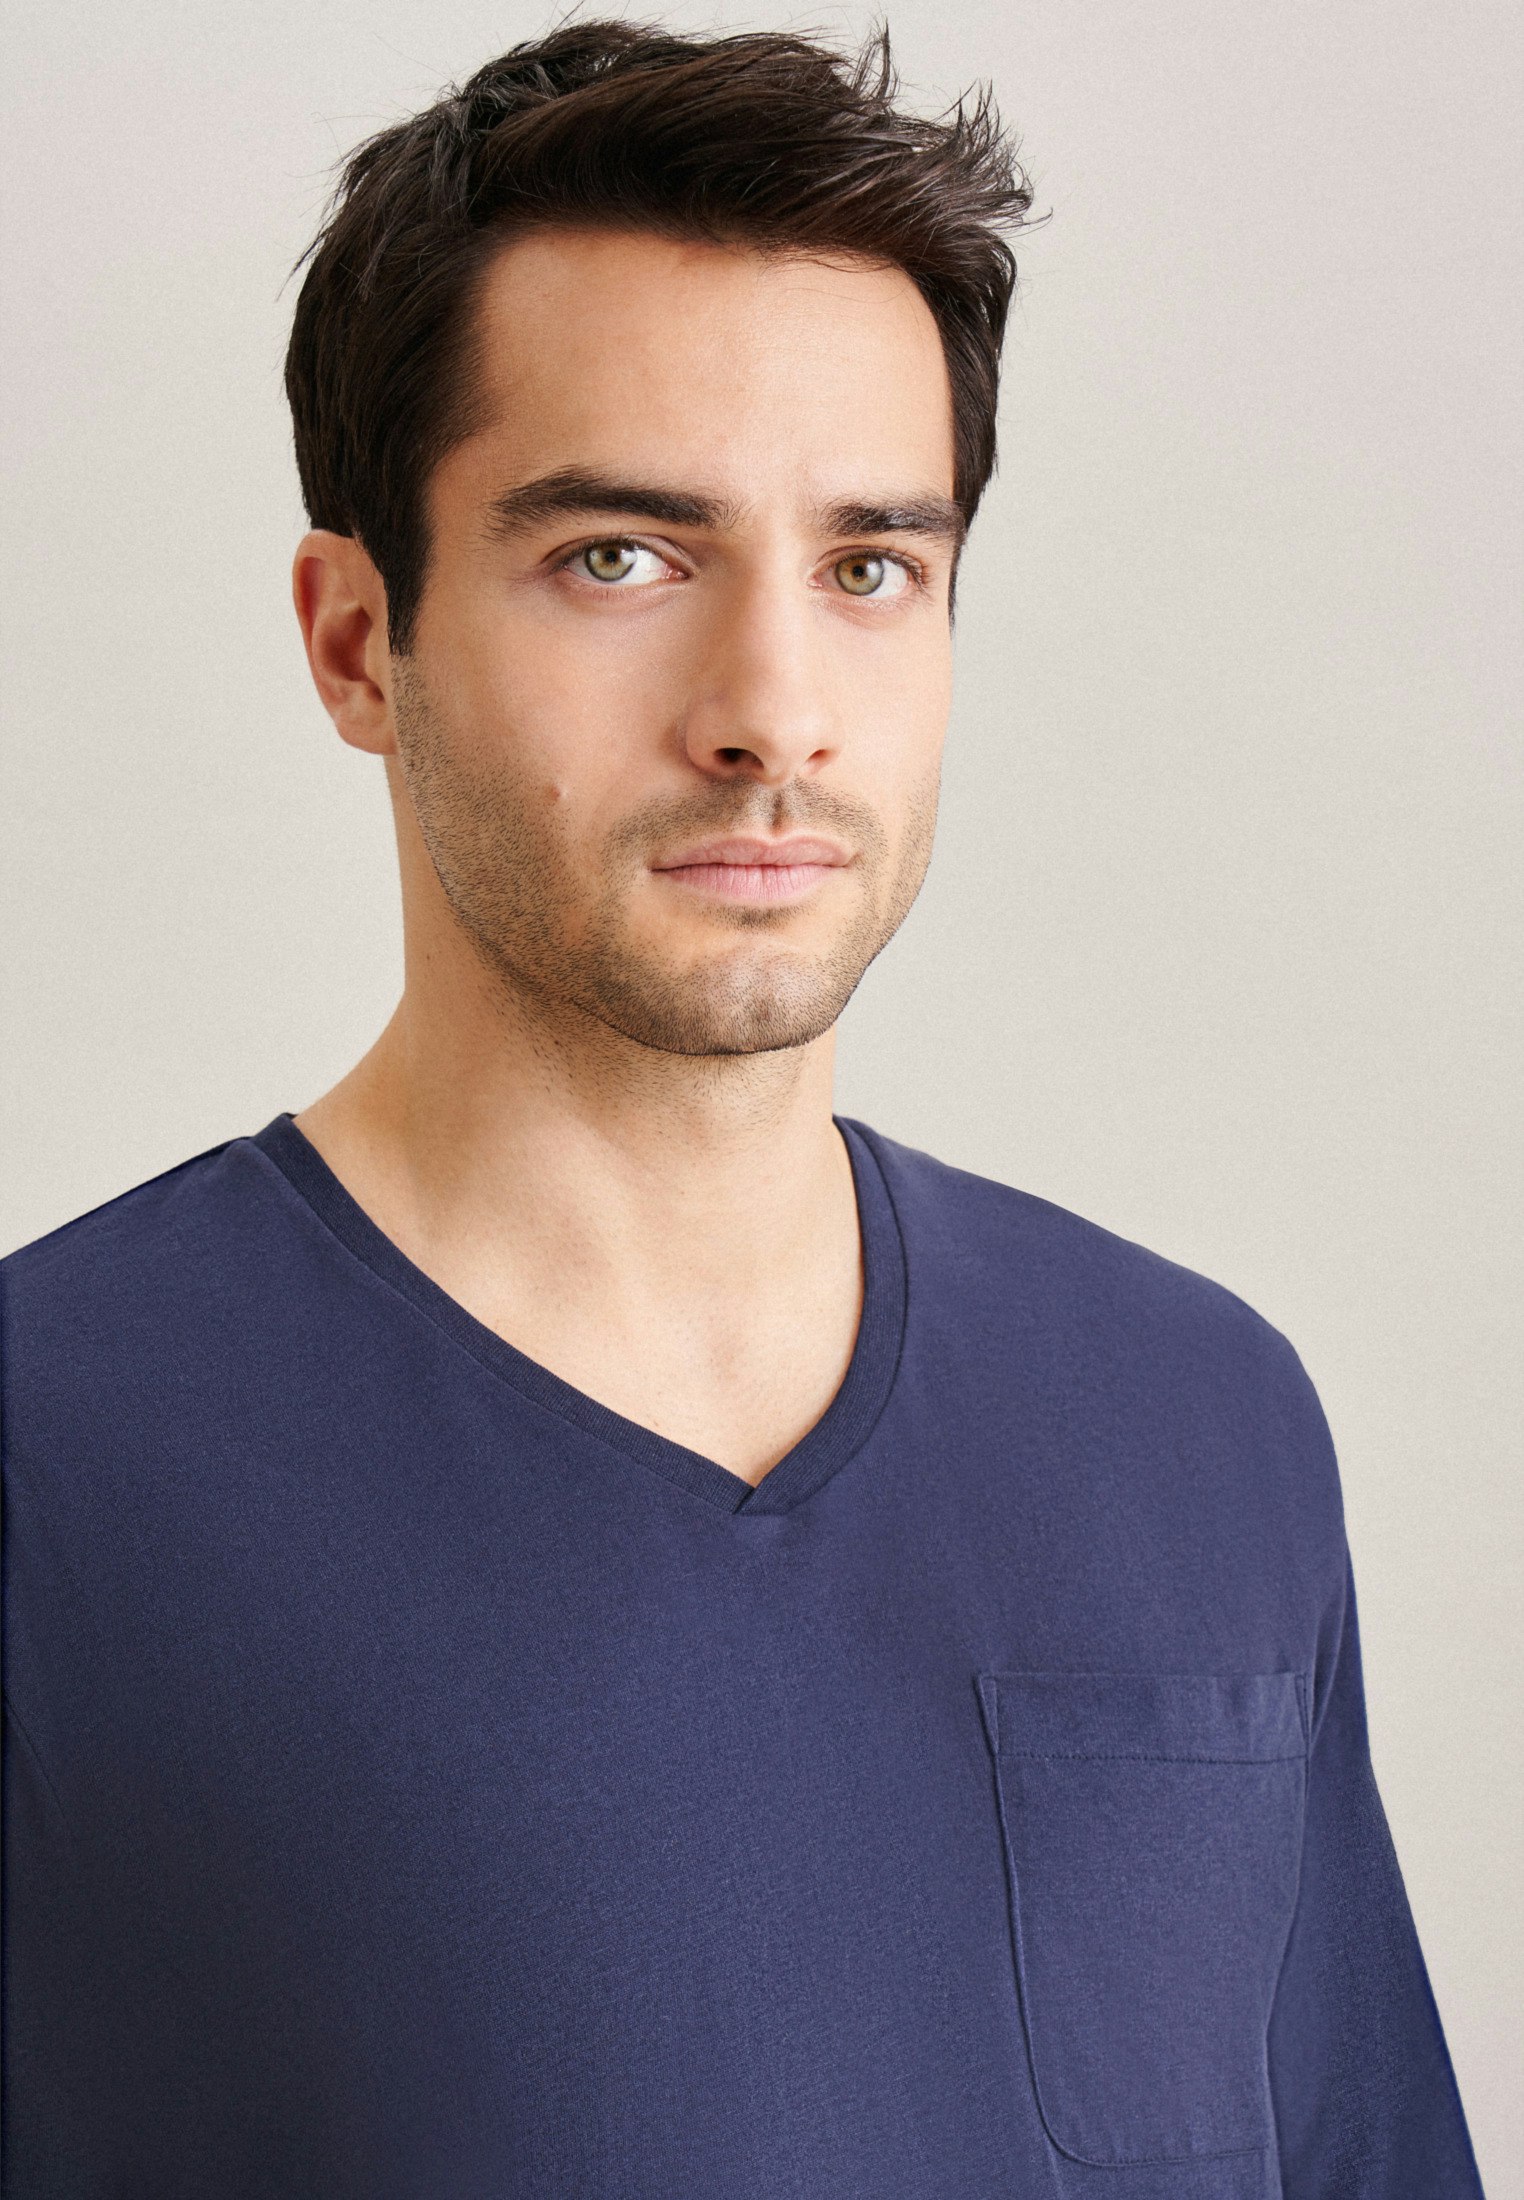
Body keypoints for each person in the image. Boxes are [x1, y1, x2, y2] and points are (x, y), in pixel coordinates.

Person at [0, 20, 1485, 2197]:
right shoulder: (52, 1461)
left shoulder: (1199, 1419)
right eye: (624, 556)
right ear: (357, 642)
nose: (773, 712)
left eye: (870, 565)